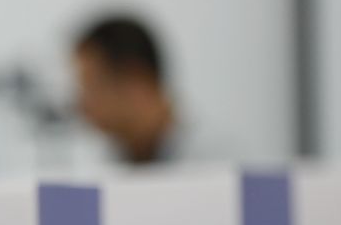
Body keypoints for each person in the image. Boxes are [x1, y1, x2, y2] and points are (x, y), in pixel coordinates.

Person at [69, 13, 229, 166]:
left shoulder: (218, 164)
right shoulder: (104, 162)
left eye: (91, 87)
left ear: (135, 79)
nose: (80, 105)